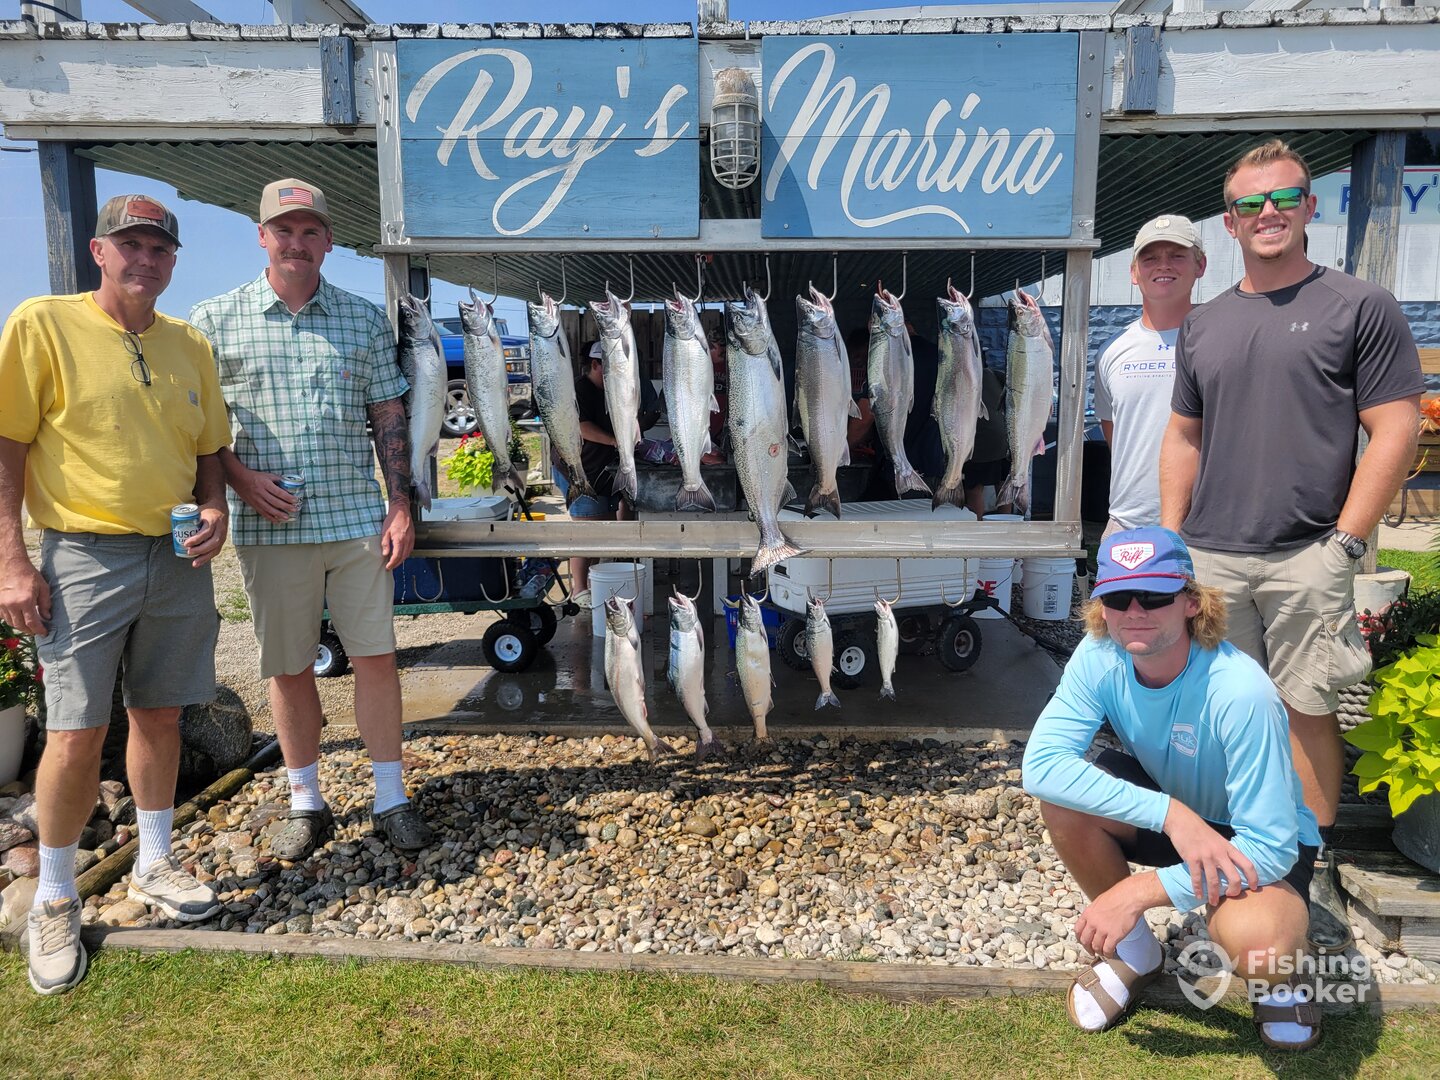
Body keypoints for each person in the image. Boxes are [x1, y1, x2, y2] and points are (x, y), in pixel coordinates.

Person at [1158, 140, 1424, 953]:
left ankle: (1300, 875)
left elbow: (1397, 428)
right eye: (1250, 203)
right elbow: (1183, 435)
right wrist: (1171, 541)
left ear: (1311, 208)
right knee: (1221, 717)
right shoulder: (1204, 323)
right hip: (1212, 553)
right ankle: (1233, 862)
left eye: (1283, 198)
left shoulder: (1359, 305)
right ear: (1229, 222)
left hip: (1311, 550)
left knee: (1308, 710)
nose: (1267, 212)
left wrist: (1346, 541)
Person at [0, 195, 231, 994]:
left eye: (159, 249)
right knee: (74, 730)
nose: (145, 259)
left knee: (160, 714)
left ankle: (154, 862)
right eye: (129, 245)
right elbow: (8, 448)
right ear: (99, 252)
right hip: (82, 555)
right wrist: (12, 561)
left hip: (175, 555)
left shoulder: (188, 344)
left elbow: (209, 451)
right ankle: (55, 897)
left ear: (173, 261)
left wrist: (214, 508)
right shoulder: (42, 325)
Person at [189, 178, 433, 861]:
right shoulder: (213, 320)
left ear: (328, 241)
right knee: (289, 668)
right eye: (283, 230)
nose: (296, 243)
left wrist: (400, 503)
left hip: (356, 521)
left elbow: (388, 415)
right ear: (261, 237)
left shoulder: (362, 319)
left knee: (377, 659)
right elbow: (201, 425)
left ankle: (391, 798)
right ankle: (306, 801)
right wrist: (239, 479)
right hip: (269, 528)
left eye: (309, 231)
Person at [1023, 528, 1323, 1050]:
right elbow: (1042, 766)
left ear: (1191, 601)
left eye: (1155, 595)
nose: (1134, 611)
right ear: (1101, 606)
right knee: (1064, 802)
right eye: (1118, 597)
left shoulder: (1240, 689)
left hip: (1256, 839)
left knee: (1261, 948)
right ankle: (1137, 954)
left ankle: (1282, 977)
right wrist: (1172, 815)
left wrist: (1137, 892)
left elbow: (1272, 845)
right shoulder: (1098, 655)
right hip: (1179, 812)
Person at [1094, 215, 1206, 536]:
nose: (1163, 265)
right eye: (1150, 258)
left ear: (1200, 265)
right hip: (1127, 524)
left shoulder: (1221, 341)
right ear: (1134, 272)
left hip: (1205, 527)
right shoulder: (1112, 350)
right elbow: (1115, 433)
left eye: (1177, 255)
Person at [962, 365, 1010, 517]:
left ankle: (977, 525)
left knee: (974, 489)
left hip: (981, 442)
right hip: (1004, 438)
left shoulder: (962, 377)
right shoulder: (994, 374)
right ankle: (1006, 524)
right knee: (1003, 485)